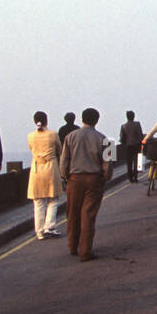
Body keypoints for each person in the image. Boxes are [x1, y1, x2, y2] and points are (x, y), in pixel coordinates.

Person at [60, 108, 112, 261]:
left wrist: (65, 177)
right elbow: (108, 164)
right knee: (88, 215)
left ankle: (72, 245)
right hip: (94, 179)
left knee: (72, 213)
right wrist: (105, 177)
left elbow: (63, 161)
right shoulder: (105, 139)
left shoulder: (70, 137)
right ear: (96, 120)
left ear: (82, 119)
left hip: (74, 179)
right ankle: (85, 250)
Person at [27, 111, 65, 239]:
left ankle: (39, 232)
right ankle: (49, 226)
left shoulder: (30, 136)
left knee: (38, 203)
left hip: (36, 170)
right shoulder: (53, 134)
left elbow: (32, 149)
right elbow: (60, 150)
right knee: (53, 199)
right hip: (50, 169)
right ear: (46, 120)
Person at [119, 111, 144, 183]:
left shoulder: (123, 126)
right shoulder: (137, 124)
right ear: (133, 116)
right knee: (136, 161)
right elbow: (140, 135)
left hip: (128, 146)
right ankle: (135, 177)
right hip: (136, 145)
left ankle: (130, 178)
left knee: (129, 162)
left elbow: (122, 137)